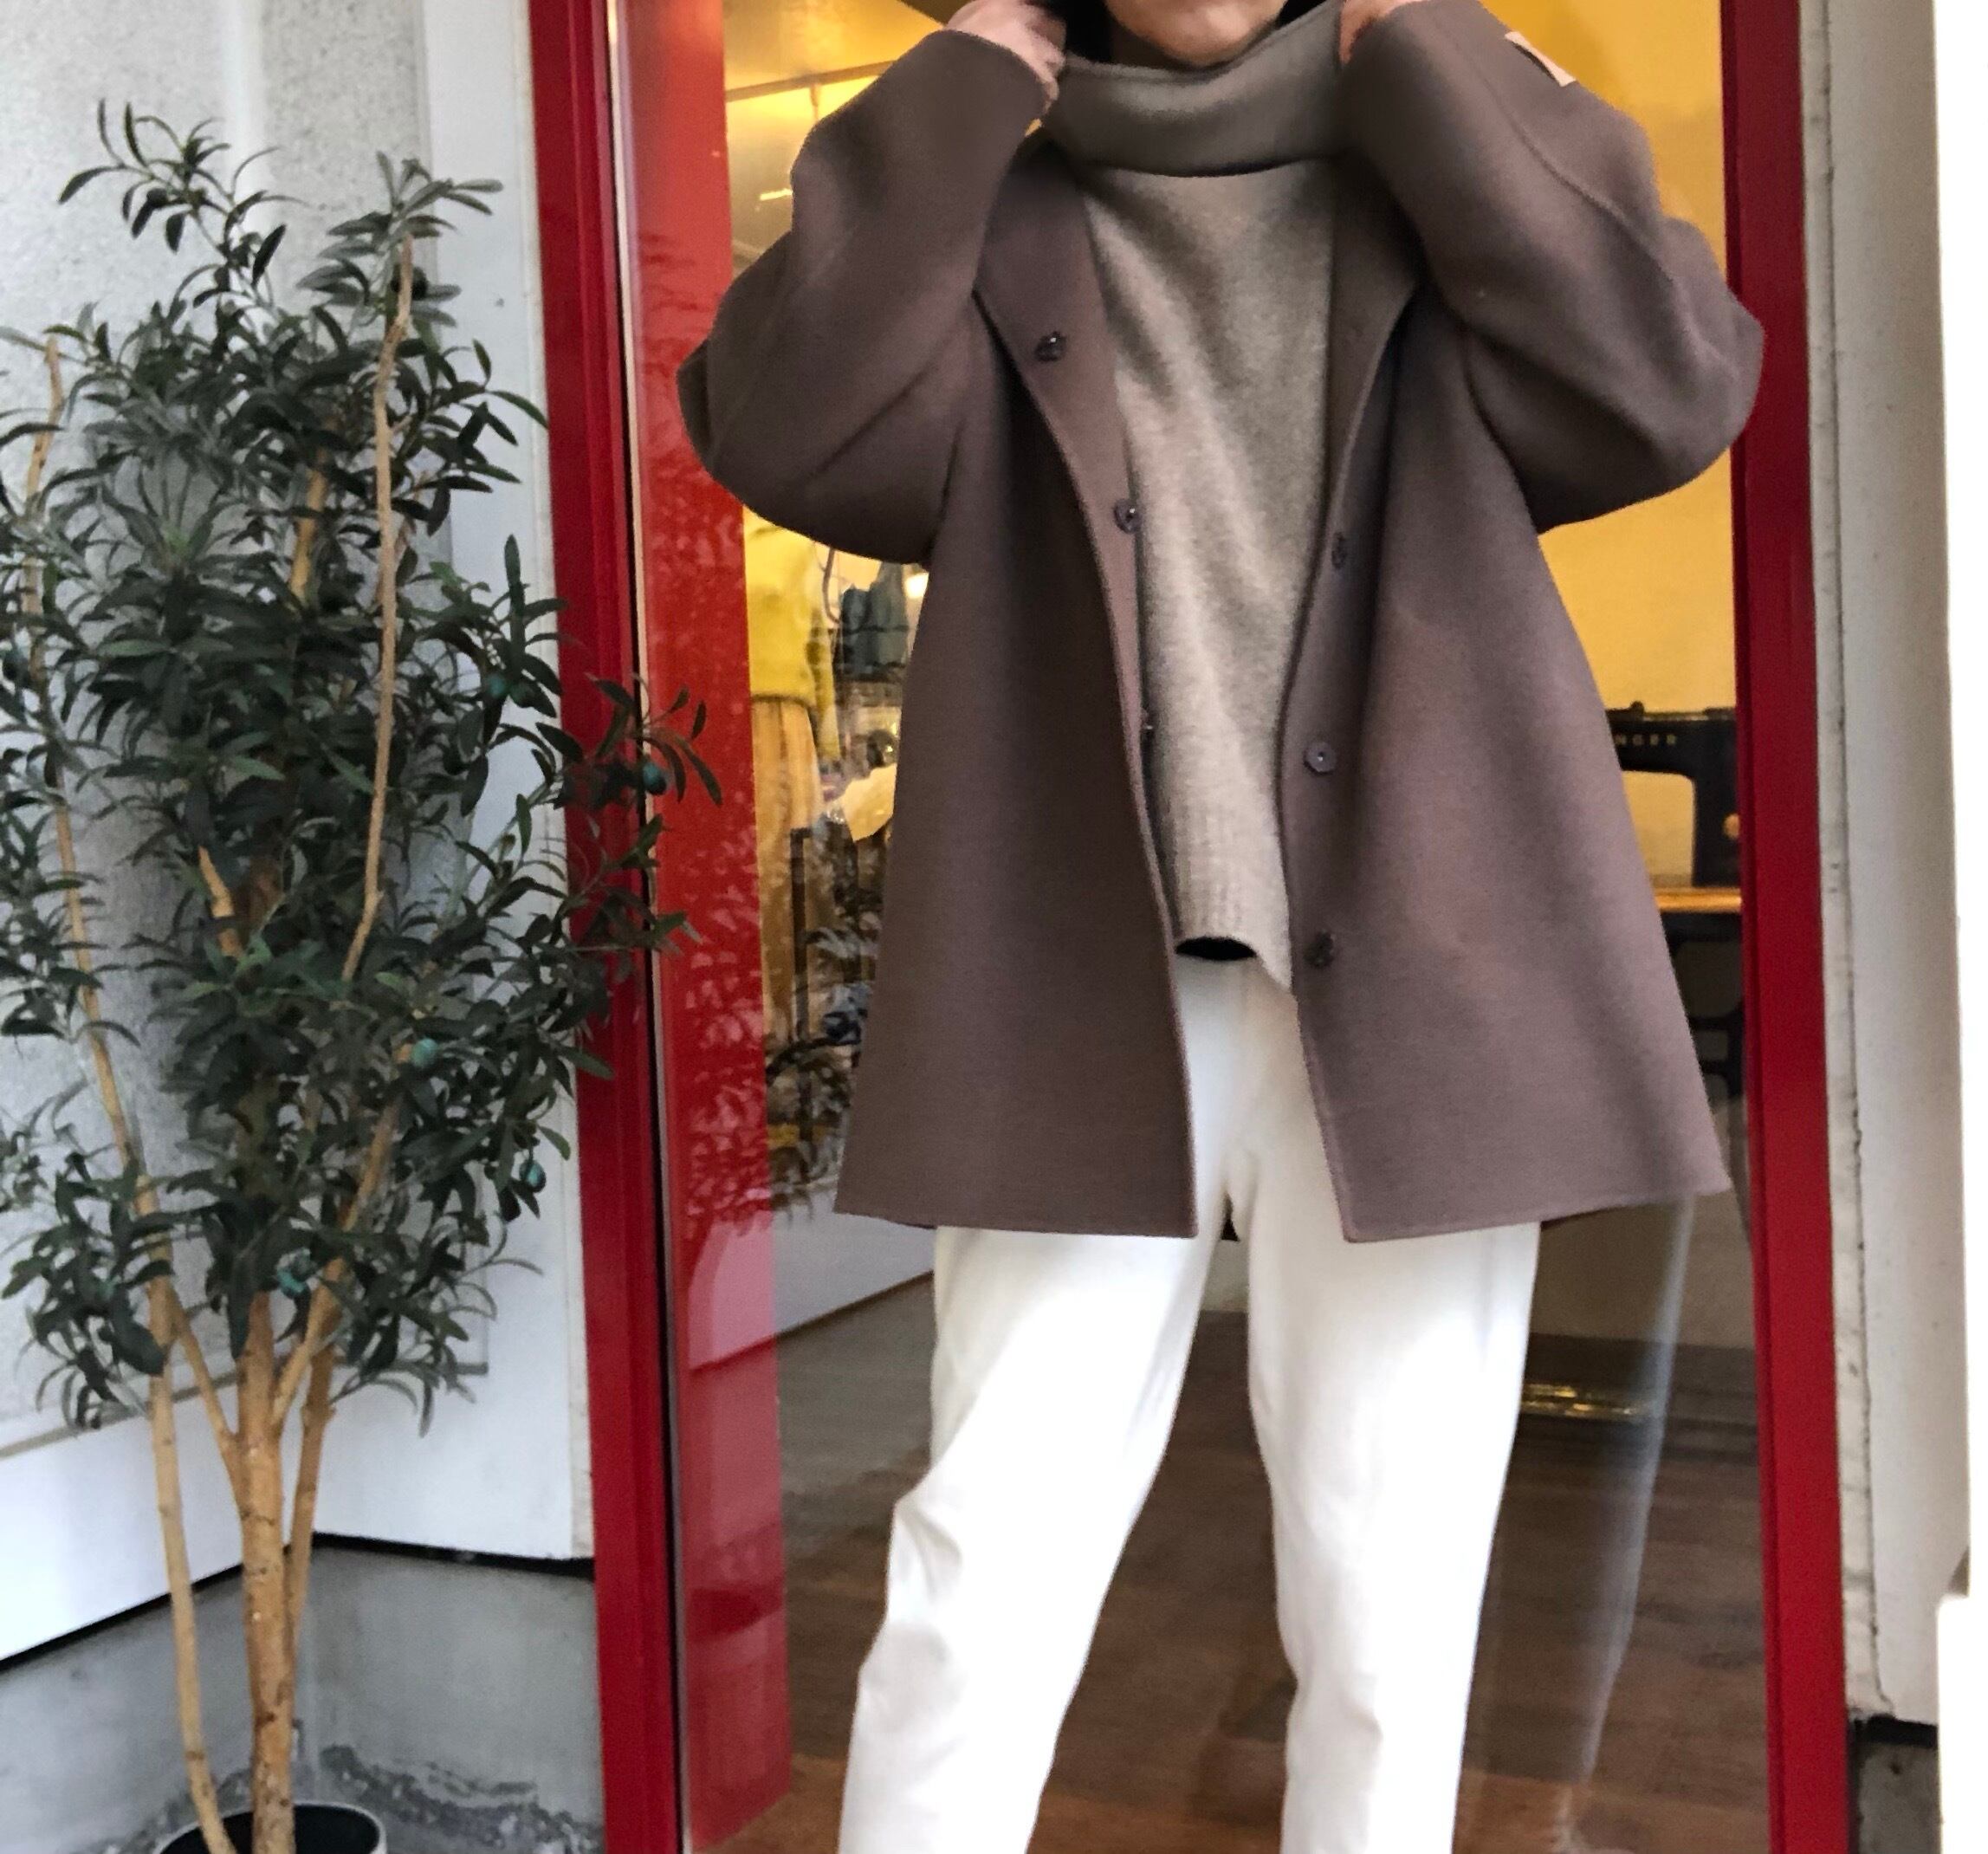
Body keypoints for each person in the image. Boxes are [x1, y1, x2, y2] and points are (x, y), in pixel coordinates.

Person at [675, 2, 1763, 1850]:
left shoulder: (1432, 182)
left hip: (1416, 966)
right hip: (1079, 975)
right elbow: (774, 418)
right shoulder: (999, 218)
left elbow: (1666, 379)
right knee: (982, 1557)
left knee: (1390, 1584)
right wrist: (962, 81)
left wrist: (1428, 53)